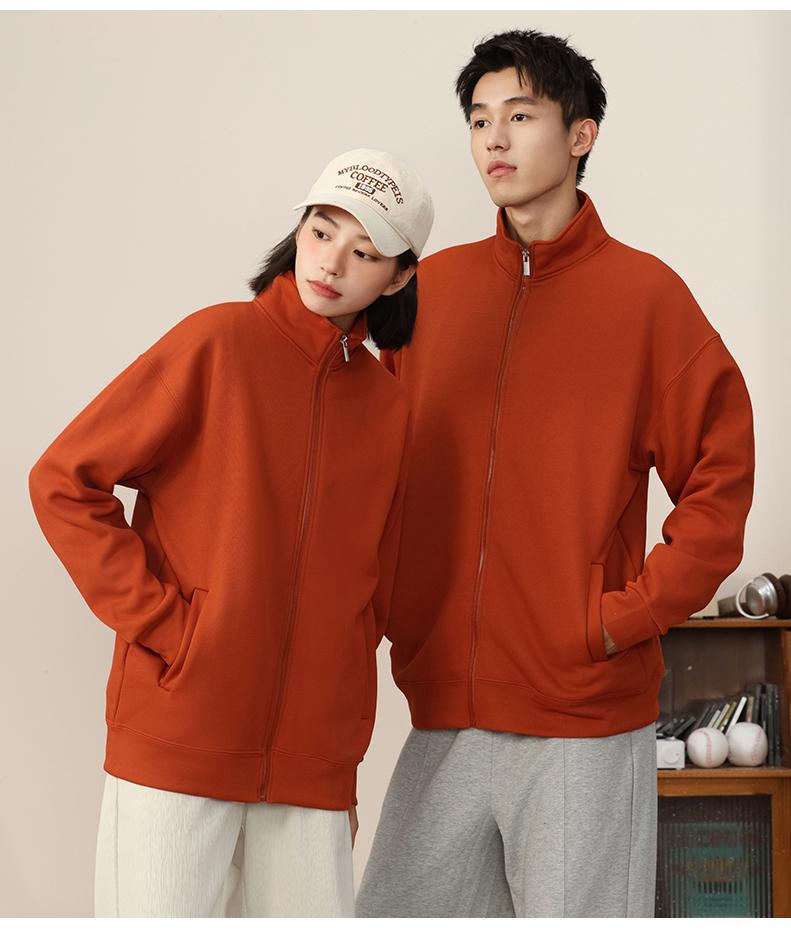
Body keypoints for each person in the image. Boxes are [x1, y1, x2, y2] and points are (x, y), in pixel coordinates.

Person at [355, 30, 755, 918]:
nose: (493, 139)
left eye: (520, 115)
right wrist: (393, 611)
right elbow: (366, 461)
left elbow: (718, 479)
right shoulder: (428, 293)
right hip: (442, 706)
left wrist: (618, 620)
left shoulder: (646, 299)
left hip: (580, 716)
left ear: (580, 134)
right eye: (477, 120)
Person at [27, 147, 434, 917]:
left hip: (311, 769)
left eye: (364, 251)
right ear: (298, 231)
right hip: (180, 738)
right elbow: (63, 481)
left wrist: (340, 765)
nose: (331, 262)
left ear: (398, 277)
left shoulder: (387, 410)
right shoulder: (214, 344)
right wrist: (170, 630)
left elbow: (372, 596)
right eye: (321, 231)